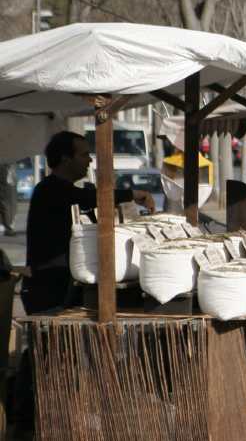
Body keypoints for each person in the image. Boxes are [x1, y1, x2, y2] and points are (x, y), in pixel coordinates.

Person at [22, 131, 152, 314]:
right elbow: (85, 197)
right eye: (84, 155)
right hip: (49, 290)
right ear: (65, 159)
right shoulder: (49, 189)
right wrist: (132, 194)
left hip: (63, 286)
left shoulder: (64, 190)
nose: (90, 161)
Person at [1, 158, 18, 236]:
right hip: (8, 185)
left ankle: (8, 227)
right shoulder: (9, 163)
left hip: (7, 184)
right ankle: (8, 227)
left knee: (6, 205)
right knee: (7, 205)